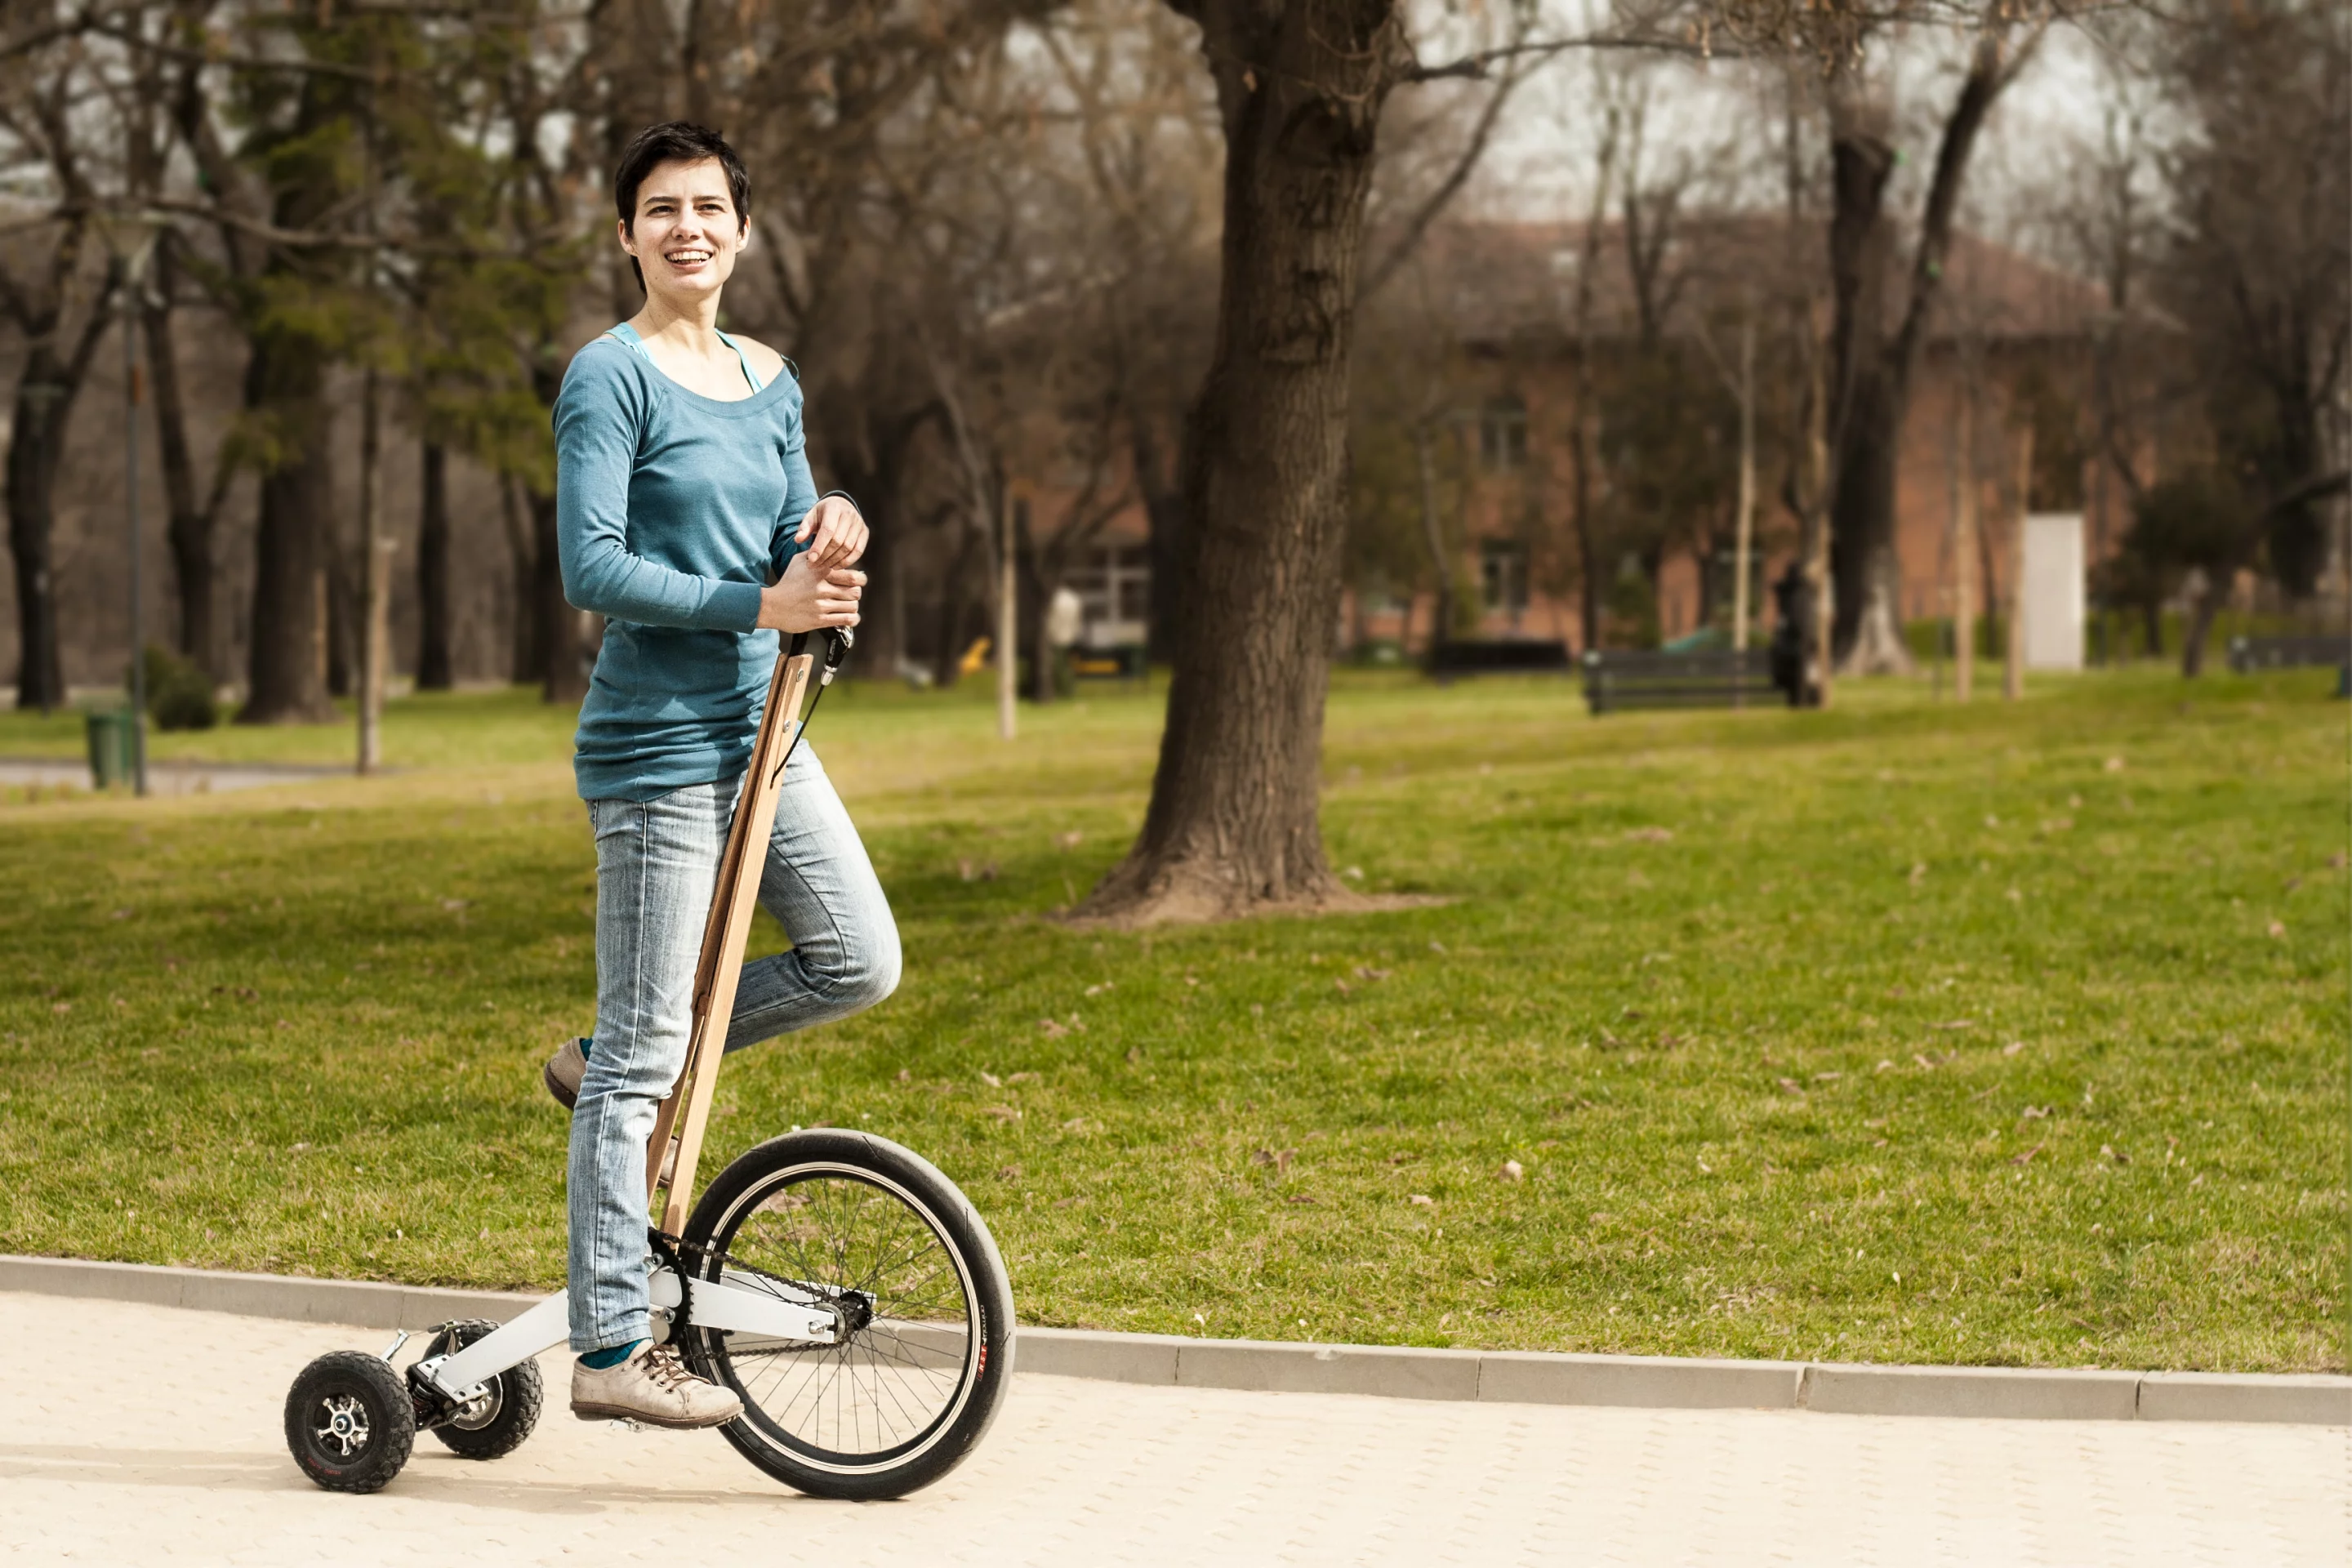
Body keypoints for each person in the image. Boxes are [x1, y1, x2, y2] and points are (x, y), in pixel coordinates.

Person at [541, 121, 899, 1429]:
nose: (686, 227)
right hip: (656, 753)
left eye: (708, 207)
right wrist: (763, 603)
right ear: (626, 234)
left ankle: (607, 1063)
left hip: (770, 734)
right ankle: (608, 1352)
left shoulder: (771, 374)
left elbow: (792, 526)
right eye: (659, 209)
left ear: (743, 232)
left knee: (860, 957)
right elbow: (593, 567)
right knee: (649, 1053)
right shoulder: (609, 376)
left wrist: (833, 520)